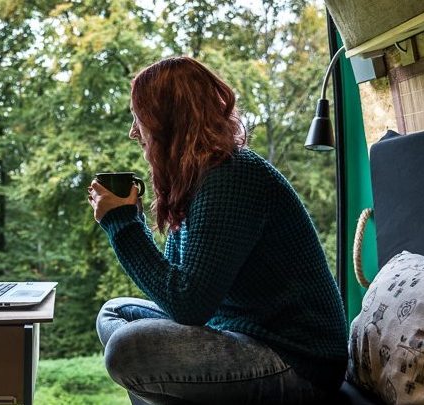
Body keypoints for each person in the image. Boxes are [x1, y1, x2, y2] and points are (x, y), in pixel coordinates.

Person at [87, 56, 347, 405]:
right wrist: (130, 217)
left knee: (126, 350)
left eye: (140, 119)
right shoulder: (198, 179)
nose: (135, 132)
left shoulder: (232, 176)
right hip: (239, 331)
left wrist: (121, 224)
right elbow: (179, 290)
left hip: (298, 361)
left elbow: (188, 305)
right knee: (115, 312)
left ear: (167, 120)